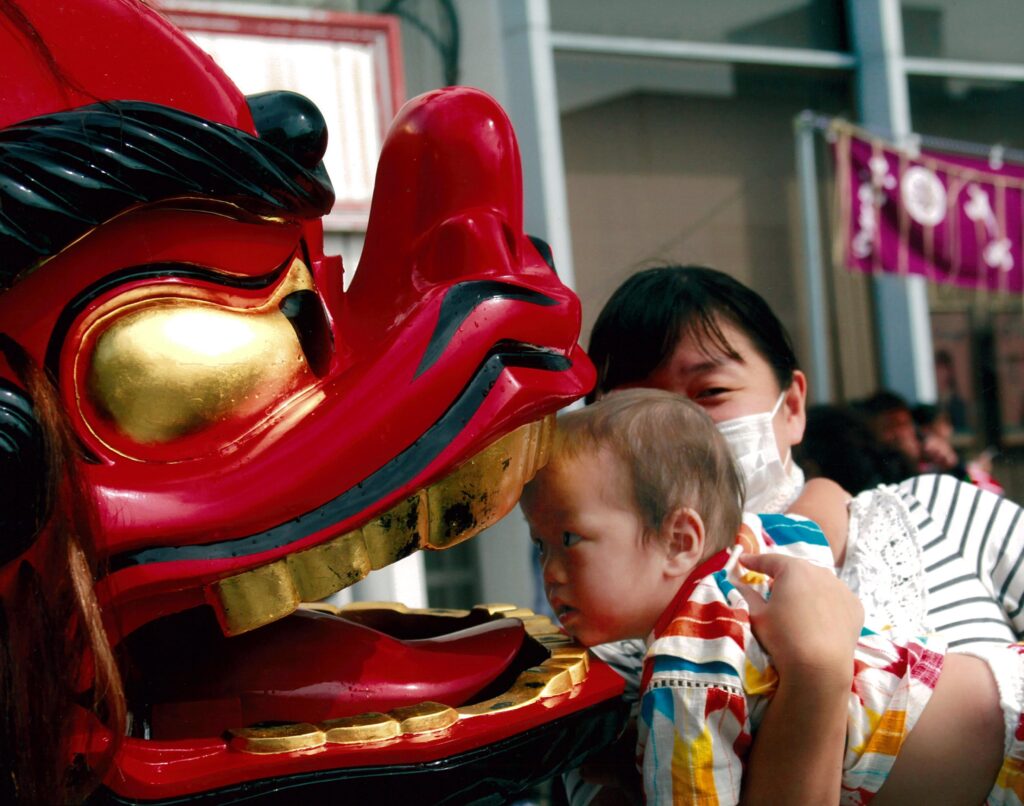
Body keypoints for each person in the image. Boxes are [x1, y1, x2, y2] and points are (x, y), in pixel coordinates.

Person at [570, 263, 1024, 804]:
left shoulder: (942, 511)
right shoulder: (602, 654)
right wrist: (816, 671)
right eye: (637, 409)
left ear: (792, 406)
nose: (678, 432)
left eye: (710, 391)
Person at [522, 389, 1016, 805]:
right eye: (540, 544)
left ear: (680, 540)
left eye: (570, 539)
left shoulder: (686, 667)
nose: (550, 573)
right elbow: (807, 530)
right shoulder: (750, 552)